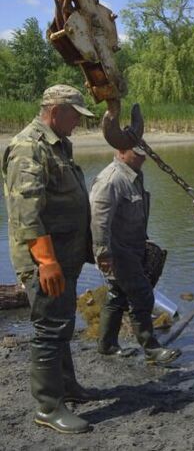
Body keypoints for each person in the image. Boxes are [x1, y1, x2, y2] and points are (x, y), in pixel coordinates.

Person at [3, 86, 101, 435]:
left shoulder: (58, 144)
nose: (78, 122)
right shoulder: (29, 147)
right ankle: (48, 406)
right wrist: (46, 261)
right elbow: (27, 214)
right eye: (75, 115)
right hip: (45, 259)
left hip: (65, 254)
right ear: (56, 110)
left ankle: (67, 387)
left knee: (62, 321)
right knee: (49, 328)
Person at [88, 142, 180, 365]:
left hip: (133, 248)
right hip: (119, 252)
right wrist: (103, 254)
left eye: (143, 154)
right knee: (142, 295)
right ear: (121, 151)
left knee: (117, 294)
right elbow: (99, 221)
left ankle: (107, 345)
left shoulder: (133, 175)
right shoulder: (110, 180)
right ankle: (151, 348)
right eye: (137, 155)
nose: (143, 158)